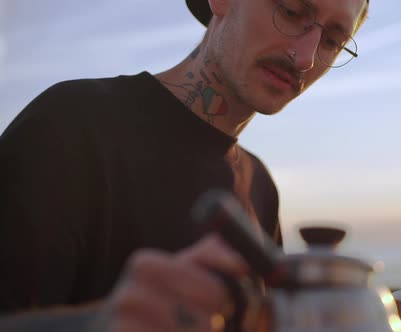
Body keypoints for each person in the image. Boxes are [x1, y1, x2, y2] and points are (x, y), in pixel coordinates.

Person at [0, 0, 369, 330]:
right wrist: (99, 324)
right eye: (291, 12)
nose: (306, 57)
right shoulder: (72, 124)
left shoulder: (260, 185)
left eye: (332, 42)